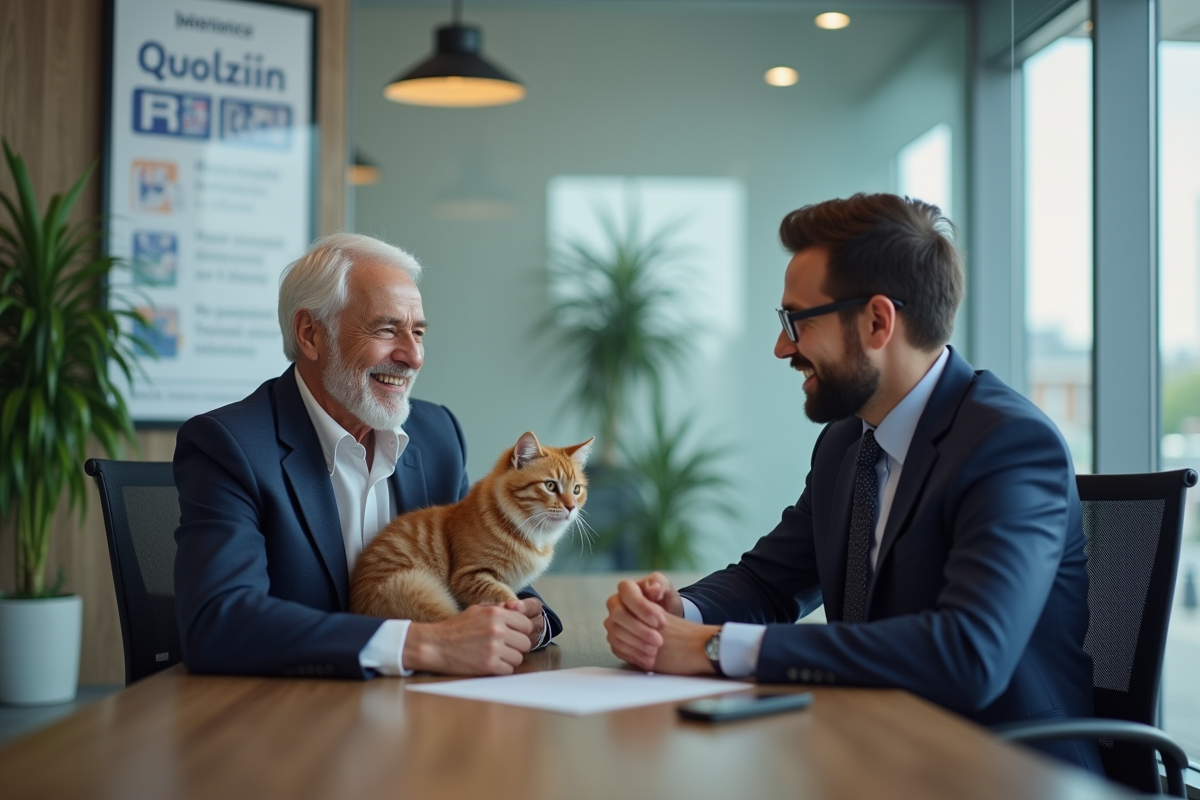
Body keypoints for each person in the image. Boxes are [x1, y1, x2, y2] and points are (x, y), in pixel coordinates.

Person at [602, 193, 1102, 773]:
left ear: (877, 321)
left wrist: (719, 649)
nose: (782, 346)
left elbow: (970, 654)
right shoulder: (848, 443)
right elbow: (769, 583)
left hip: (1000, 773)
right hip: (876, 751)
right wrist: (678, 615)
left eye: (798, 321)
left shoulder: (1009, 445)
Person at [174, 233, 562, 678]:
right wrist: (421, 643)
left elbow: (476, 562)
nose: (413, 356)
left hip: (428, 708)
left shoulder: (438, 435)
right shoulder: (230, 445)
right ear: (310, 334)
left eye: (418, 332)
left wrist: (531, 619)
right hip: (286, 714)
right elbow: (217, 623)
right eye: (386, 329)